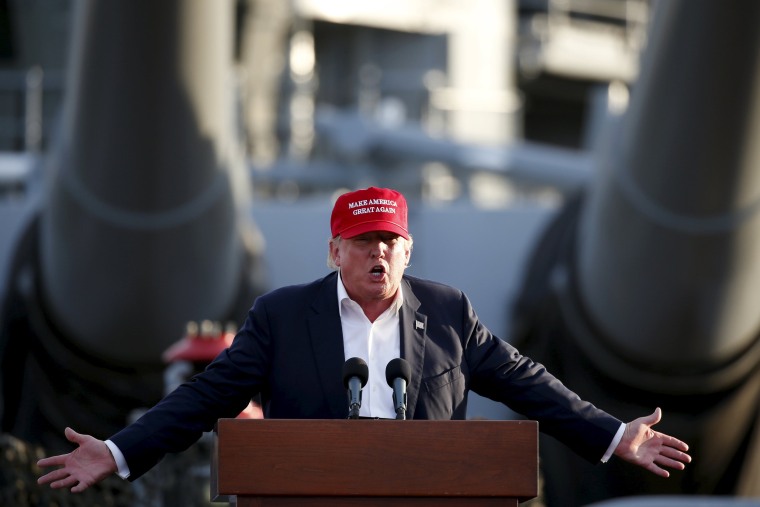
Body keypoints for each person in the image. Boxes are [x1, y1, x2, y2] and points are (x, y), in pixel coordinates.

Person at [37, 186, 691, 493]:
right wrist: (119, 452)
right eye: (363, 241)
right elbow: (203, 395)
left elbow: (530, 384)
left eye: (389, 241)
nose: (377, 251)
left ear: (407, 250)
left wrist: (612, 434)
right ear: (334, 250)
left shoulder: (450, 313)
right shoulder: (282, 318)